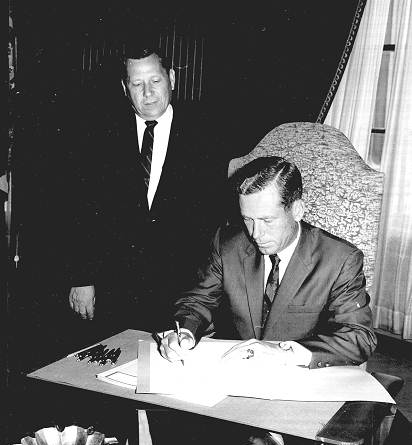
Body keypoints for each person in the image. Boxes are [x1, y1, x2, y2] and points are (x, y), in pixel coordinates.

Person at [68, 39, 227, 333]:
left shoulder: (209, 133)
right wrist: (82, 278)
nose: (148, 93)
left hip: (183, 292)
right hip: (114, 290)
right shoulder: (98, 133)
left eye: (155, 80)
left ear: (173, 78)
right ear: (125, 88)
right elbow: (80, 209)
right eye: (137, 84)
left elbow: (218, 218)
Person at [158, 155, 377, 368]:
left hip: (299, 378)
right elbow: (199, 301)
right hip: (232, 371)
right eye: (247, 219)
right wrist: (185, 332)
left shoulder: (340, 259)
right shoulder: (227, 244)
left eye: (267, 220)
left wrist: (283, 352)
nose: (255, 234)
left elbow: (359, 336)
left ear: (297, 210)